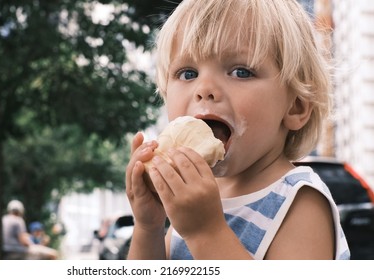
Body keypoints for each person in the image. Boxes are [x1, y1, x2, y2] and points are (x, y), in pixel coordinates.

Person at [125, 0, 350, 260]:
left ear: (295, 108)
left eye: (241, 72)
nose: (204, 88)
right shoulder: (194, 197)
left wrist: (205, 232)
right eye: (188, 73)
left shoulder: (301, 202)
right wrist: (149, 225)